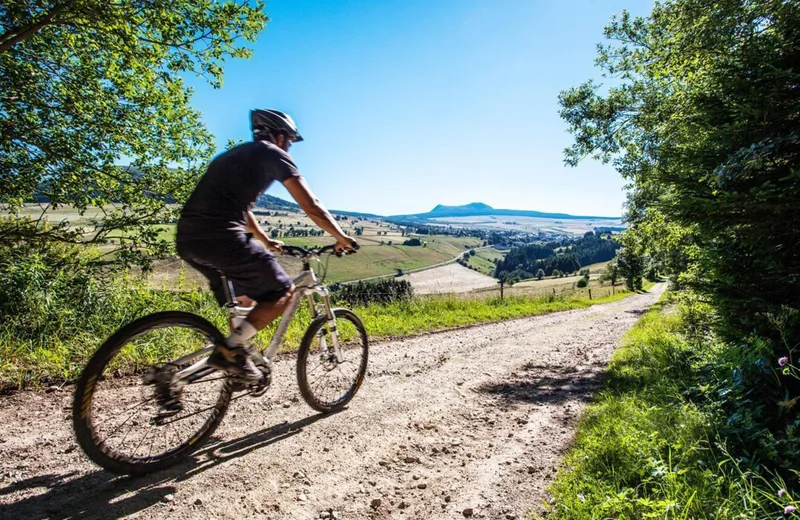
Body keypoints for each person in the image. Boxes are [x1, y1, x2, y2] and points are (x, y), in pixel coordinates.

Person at [176, 109, 356, 385]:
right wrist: (342, 237)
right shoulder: (274, 154)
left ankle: (236, 363)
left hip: (189, 240)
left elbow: (240, 208)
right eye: (291, 142)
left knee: (244, 303)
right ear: (281, 136)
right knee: (283, 291)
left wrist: (264, 240)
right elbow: (311, 205)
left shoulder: (233, 157)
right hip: (222, 238)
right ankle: (230, 353)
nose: (290, 147)